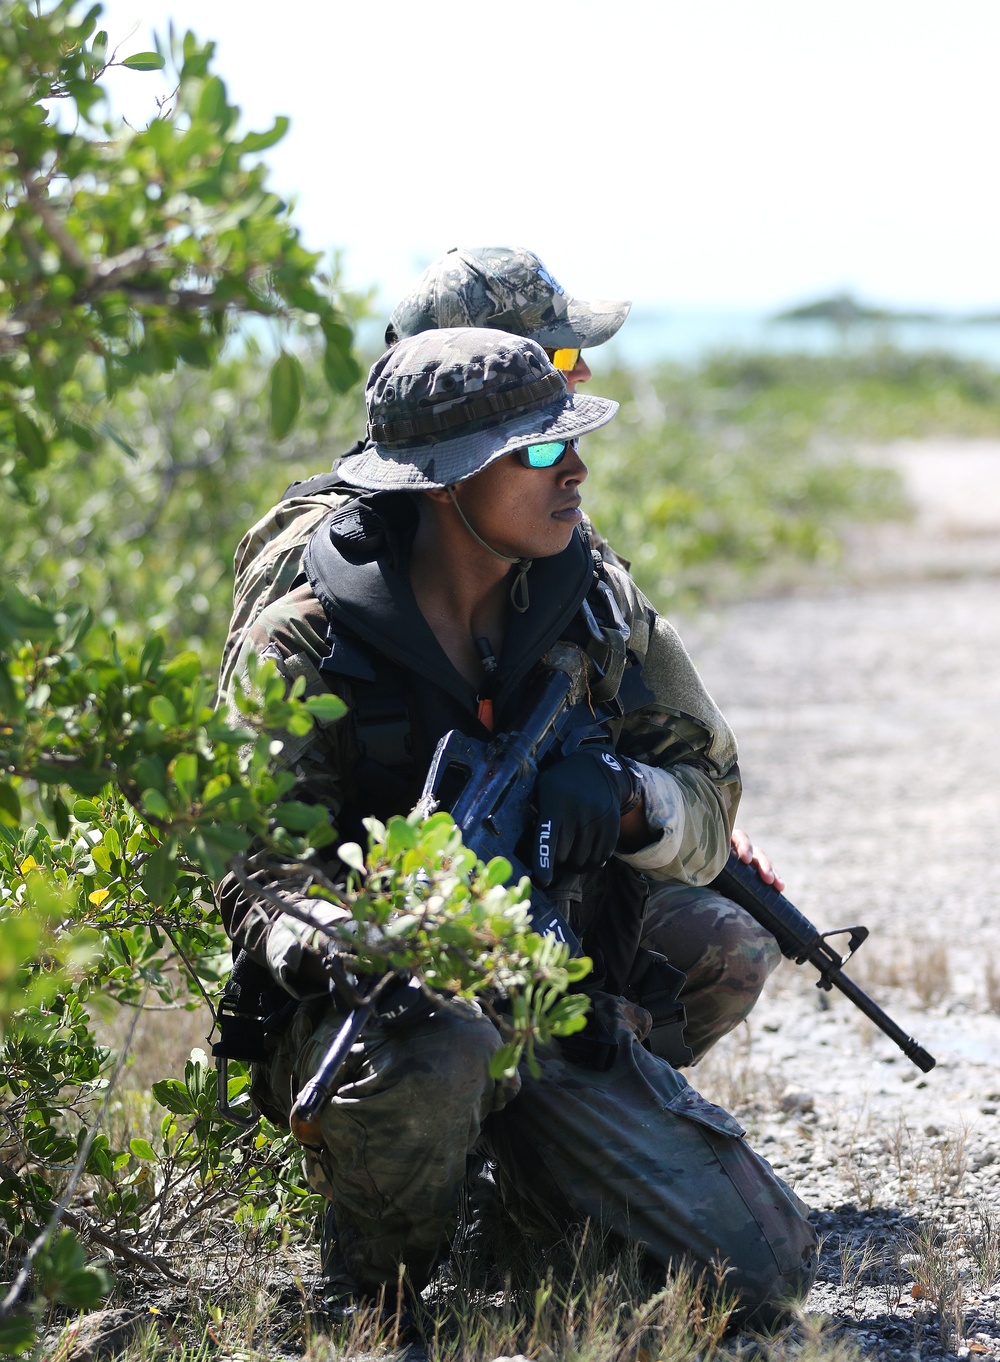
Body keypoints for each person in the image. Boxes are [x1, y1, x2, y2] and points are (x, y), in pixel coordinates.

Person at [219, 328, 818, 1319]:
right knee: (438, 1051)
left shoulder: (589, 605)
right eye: (540, 450)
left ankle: (524, 1193)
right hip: (378, 1021)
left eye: (571, 440)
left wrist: (629, 798)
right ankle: (376, 1288)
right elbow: (246, 861)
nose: (575, 467)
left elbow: (709, 793)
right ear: (444, 482)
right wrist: (344, 938)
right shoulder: (303, 641)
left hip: (548, 1002)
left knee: (762, 1271)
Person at [219, 246, 783, 1066]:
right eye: (553, 357)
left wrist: (637, 801)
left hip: (542, 894)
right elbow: (250, 838)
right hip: (374, 929)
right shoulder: (316, 564)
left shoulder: (561, 552)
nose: (580, 372)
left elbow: (696, 769)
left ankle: (573, 1111)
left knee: (725, 937)